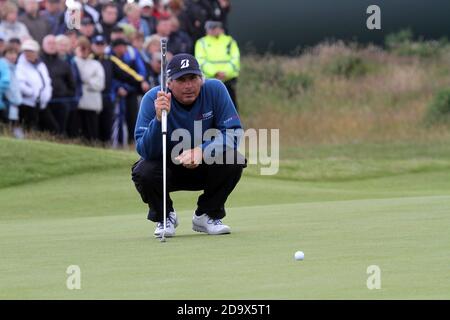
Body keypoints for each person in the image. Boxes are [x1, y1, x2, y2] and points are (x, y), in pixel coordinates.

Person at [131, 53, 245, 238]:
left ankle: (207, 214)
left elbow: (233, 131)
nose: (189, 85)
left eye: (193, 78)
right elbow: (144, 150)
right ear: (169, 83)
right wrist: (159, 120)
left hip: (204, 165)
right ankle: (164, 215)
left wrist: (202, 150)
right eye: (181, 80)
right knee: (143, 171)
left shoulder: (215, 89)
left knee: (233, 159)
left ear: (201, 78)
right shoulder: (153, 98)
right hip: (167, 170)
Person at [195, 20, 240, 109]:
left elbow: (235, 59)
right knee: (208, 110)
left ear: (221, 28)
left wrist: (225, 73)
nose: (213, 30)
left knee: (231, 108)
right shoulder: (201, 42)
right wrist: (215, 72)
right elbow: (200, 61)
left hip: (228, 81)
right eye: (210, 28)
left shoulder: (229, 41)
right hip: (209, 82)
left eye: (215, 27)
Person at [16, 38, 56, 132]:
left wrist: (47, 95)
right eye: (26, 51)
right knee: (27, 129)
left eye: (31, 51)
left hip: (42, 104)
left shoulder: (41, 65)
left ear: (36, 52)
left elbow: (47, 82)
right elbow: (20, 84)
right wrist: (32, 93)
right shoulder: (21, 66)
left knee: (53, 128)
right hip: (26, 104)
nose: (29, 53)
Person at [41, 34, 76, 135]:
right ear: (43, 45)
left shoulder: (63, 63)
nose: (52, 46)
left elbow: (71, 83)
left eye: (54, 43)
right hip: (44, 103)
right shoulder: (39, 61)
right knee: (46, 129)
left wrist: (65, 94)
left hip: (61, 102)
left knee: (60, 130)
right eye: (49, 43)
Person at [73, 36, 105, 141]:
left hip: (92, 104)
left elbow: (100, 84)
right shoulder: (73, 62)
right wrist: (90, 80)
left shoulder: (96, 64)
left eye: (85, 47)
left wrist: (87, 81)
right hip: (78, 104)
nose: (83, 50)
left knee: (92, 134)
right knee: (79, 133)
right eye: (80, 47)